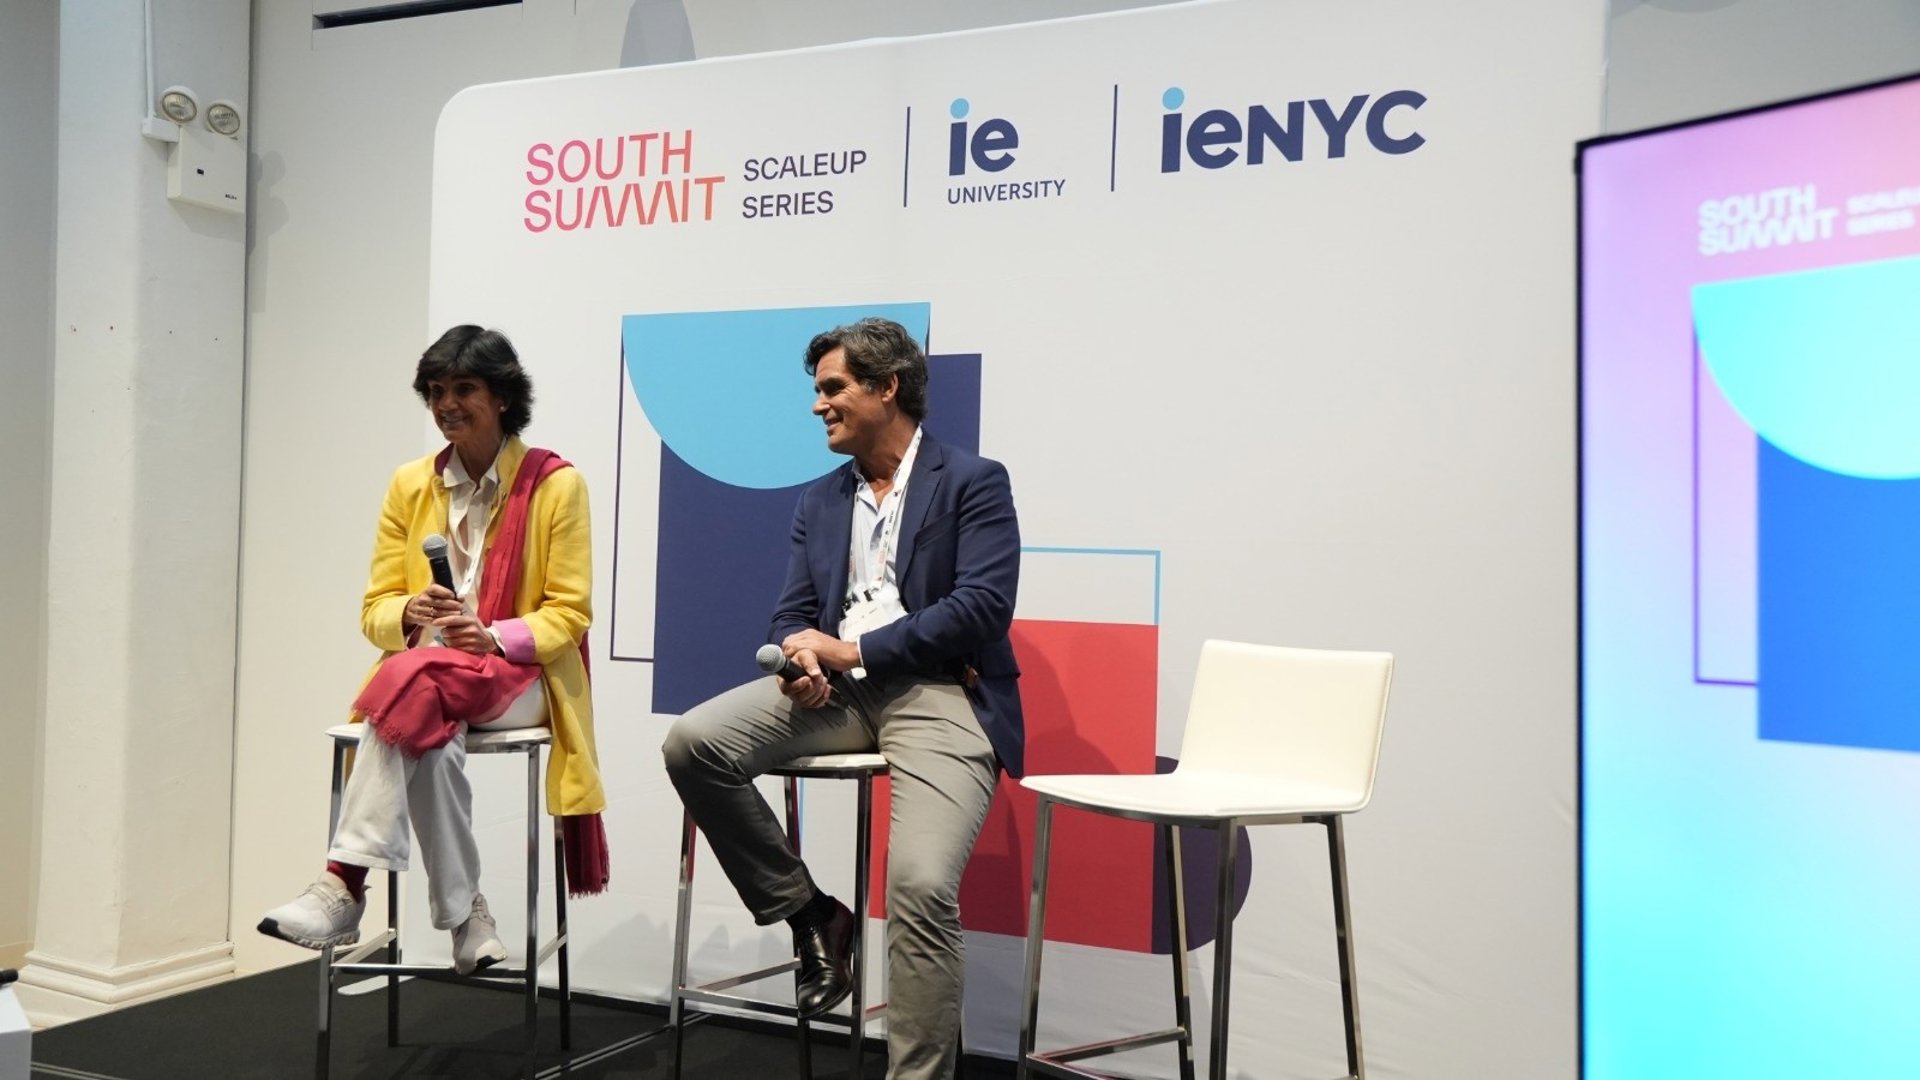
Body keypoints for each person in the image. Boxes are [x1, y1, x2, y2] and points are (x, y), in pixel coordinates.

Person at [662, 317, 1023, 1079]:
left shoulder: (972, 480)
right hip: (840, 697)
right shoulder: (821, 501)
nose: (817, 405)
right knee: (695, 743)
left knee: (920, 884)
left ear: (887, 387)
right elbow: (792, 613)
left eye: (833, 388)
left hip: (939, 691)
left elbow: (983, 608)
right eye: (818, 390)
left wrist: (856, 650)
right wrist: (800, 658)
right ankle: (813, 913)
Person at [259, 325, 609, 972]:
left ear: (502, 396)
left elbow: (570, 613)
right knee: (431, 732)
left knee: (415, 679)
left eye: (464, 388)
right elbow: (375, 609)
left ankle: (343, 883)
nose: (447, 404)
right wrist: (408, 612)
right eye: (436, 390)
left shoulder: (557, 485)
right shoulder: (409, 483)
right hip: (432, 683)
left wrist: (493, 635)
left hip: (520, 677)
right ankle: (468, 917)